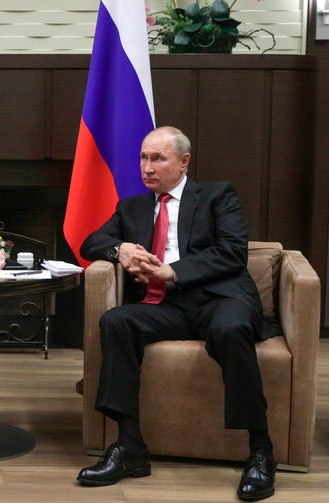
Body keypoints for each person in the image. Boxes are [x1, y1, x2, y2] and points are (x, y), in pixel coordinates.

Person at [76, 126, 278, 501]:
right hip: (165, 307)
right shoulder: (132, 207)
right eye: (143, 158)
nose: (147, 167)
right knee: (116, 321)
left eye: (157, 158)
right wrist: (119, 248)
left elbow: (233, 251)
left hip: (219, 299)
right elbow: (92, 241)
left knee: (232, 329)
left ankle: (261, 450)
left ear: (184, 162)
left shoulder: (217, 196)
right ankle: (130, 447)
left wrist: (175, 271)